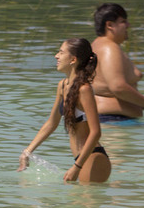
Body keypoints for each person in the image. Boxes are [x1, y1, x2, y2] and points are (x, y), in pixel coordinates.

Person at [18, 38, 111, 183]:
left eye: (61, 52)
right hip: (79, 160)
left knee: (84, 203)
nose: (56, 56)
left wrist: (77, 166)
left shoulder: (84, 89)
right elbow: (51, 123)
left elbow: (96, 132)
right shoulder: (62, 86)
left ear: (73, 59)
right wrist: (27, 152)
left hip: (92, 159)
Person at [91, 3, 144, 121]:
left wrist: (138, 101)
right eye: (123, 21)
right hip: (113, 120)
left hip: (109, 119)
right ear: (110, 25)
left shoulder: (97, 46)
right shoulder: (109, 48)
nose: (128, 25)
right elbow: (118, 87)